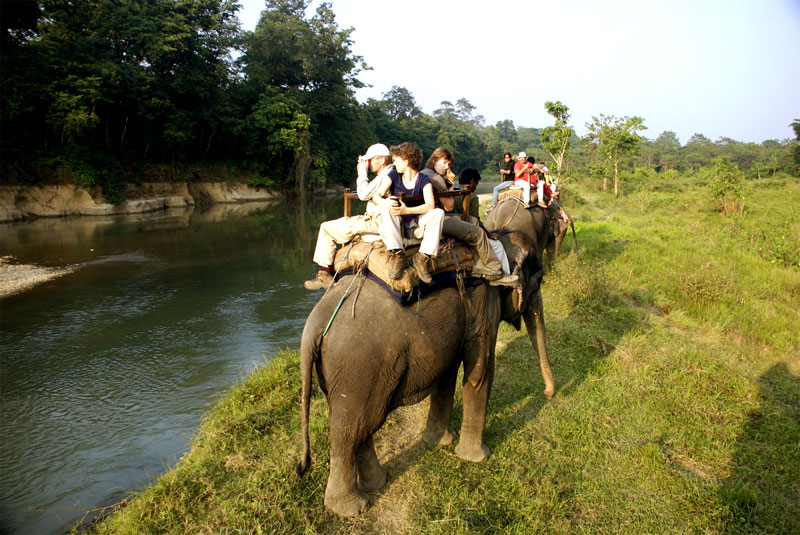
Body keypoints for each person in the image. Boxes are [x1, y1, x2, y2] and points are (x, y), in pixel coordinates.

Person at [304, 143, 403, 290]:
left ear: (381, 160)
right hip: (377, 218)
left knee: (326, 227)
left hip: (376, 221)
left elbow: (363, 194)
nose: (367, 164)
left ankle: (325, 275)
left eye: (370, 160)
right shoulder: (390, 173)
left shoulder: (386, 175)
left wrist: (361, 173)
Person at [421, 148, 516, 286]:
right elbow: (449, 206)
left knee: (474, 221)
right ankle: (494, 269)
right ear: (435, 160)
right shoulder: (436, 178)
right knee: (477, 233)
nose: (447, 167)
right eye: (445, 163)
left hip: (432, 216)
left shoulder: (425, 173)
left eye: (449, 164)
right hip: (437, 218)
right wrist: (451, 182)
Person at [375, 142, 445, 283]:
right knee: (388, 209)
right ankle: (399, 255)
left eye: (396, 160)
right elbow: (377, 195)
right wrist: (385, 202)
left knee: (438, 213)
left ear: (406, 160)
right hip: (398, 225)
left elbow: (430, 205)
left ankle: (422, 257)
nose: (394, 164)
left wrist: (406, 210)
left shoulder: (423, 179)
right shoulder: (394, 174)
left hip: (417, 225)